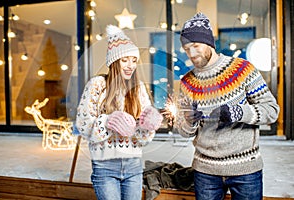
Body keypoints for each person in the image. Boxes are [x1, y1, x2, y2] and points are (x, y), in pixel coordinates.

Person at [174, 12, 280, 200]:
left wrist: (238, 111)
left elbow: (271, 111)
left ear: (208, 42)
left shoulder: (243, 69)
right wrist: (188, 122)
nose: (191, 53)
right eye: (186, 48)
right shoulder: (187, 82)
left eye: (195, 46)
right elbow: (183, 131)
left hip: (245, 168)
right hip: (205, 171)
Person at [76, 24, 163, 200]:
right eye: (125, 60)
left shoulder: (138, 90)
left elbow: (142, 139)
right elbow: (83, 125)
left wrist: (148, 125)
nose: (130, 65)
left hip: (133, 166)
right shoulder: (97, 85)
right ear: (114, 62)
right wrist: (107, 121)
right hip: (104, 166)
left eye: (134, 60)